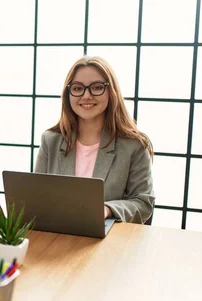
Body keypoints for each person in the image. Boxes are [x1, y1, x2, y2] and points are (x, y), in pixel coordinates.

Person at [34, 56, 154, 224]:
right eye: (77, 88)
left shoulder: (134, 146)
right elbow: (36, 197)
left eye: (97, 87)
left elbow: (143, 203)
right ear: (68, 94)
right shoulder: (50, 140)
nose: (87, 95)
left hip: (110, 242)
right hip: (58, 236)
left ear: (111, 91)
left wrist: (107, 210)